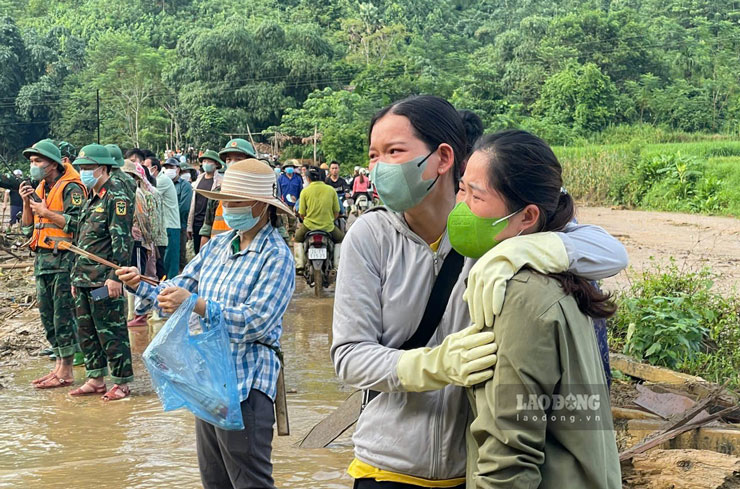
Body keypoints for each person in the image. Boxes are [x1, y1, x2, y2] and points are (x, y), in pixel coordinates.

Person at [331, 95, 628, 488]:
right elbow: (349, 357)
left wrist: (532, 247)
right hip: (387, 468)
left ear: (443, 158)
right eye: (373, 155)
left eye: (394, 151)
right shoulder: (369, 236)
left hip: (473, 469)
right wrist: (434, 365)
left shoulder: (489, 226)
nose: (379, 168)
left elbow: (610, 252)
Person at [117, 159, 295, 489]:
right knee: (214, 479)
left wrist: (196, 304)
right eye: (223, 201)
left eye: (233, 202)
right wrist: (139, 283)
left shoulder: (276, 255)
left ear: (258, 205)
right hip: (209, 384)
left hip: (246, 386)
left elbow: (254, 322)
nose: (225, 208)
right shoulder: (217, 246)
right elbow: (176, 288)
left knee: (250, 480)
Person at [459, 130, 621, 488]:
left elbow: (509, 456)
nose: (462, 204)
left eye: (476, 195)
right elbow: (575, 419)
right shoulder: (569, 280)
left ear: (527, 217)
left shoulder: (520, 296)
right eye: (462, 188)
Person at [68, 143, 134, 400]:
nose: (83, 172)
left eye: (88, 168)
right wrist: (76, 276)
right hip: (84, 278)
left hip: (103, 282)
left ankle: (121, 381)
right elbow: (83, 241)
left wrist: (115, 276)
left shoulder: (116, 196)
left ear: (103, 168)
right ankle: (95, 378)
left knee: (111, 329)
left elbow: (122, 241)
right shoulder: (91, 197)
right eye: (81, 167)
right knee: (87, 330)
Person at [18, 139, 85, 389]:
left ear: (53, 164)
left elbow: (79, 224)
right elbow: (27, 230)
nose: (34, 166)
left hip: (64, 260)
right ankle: (58, 366)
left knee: (63, 316)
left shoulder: (72, 189)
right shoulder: (41, 188)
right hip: (43, 262)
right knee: (47, 317)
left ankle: (66, 371)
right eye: (32, 162)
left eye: (38, 161)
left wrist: (46, 212)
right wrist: (27, 203)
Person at [199, 138, 256, 246]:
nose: (232, 163)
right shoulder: (217, 193)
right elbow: (206, 229)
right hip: (217, 252)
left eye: (238, 159)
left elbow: (277, 227)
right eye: (229, 159)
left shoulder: (260, 193)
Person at [294, 166, 344, 270]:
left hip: (309, 226)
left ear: (308, 178)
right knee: (340, 239)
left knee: (297, 239)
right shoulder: (331, 190)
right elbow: (337, 211)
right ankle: (337, 266)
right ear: (323, 177)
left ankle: (299, 265)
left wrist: (307, 220)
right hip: (328, 227)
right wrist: (330, 220)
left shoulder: (305, 191)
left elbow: (302, 213)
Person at [146, 157, 180, 280]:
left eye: (146, 166)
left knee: (169, 265)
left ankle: (172, 291)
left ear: (154, 168)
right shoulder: (159, 179)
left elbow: (148, 195)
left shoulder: (162, 181)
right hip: (166, 226)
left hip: (169, 225)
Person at [188, 150, 223, 255]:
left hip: (210, 222)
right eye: (204, 161)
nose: (206, 164)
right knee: (197, 251)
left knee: (209, 252)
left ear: (216, 164)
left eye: (209, 161)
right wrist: (189, 225)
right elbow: (192, 204)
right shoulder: (198, 180)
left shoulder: (220, 182)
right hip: (197, 222)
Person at [164, 157, 193, 272]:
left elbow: (184, 207)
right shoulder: (164, 183)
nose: (168, 170)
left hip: (179, 225)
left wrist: (170, 214)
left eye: (171, 167)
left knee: (179, 255)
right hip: (165, 225)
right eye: (166, 167)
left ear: (177, 170)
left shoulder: (184, 185)